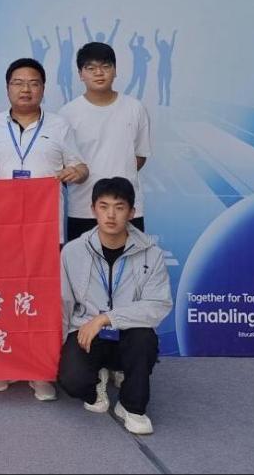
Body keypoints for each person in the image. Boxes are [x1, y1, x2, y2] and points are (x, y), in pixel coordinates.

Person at [0, 57, 88, 401]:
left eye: (33, 83)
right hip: (0, 230)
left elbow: (80, 167)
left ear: (43, 88)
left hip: (46, 230)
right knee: (3, 297)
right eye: (18, 83)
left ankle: (40, 371)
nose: (25, 89)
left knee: (42, 301)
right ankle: (4, 366)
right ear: (7, 88)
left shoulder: (59, 126)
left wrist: (75, 172)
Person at [56, 177, 172, 435]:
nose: (111, 215)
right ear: (93, 210)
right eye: (104, 206)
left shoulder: (151, 254)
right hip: (86, 332)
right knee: (72, 381)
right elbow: (64, 303)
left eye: (119, 208)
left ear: (131, 212)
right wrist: (60, 348)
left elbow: (158, 305)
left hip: (129, 333)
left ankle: (132, 407)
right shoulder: (73, 252)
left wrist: (106, 318)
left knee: (144, 339)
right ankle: (97, 378)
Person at [60, 42, 151, 242]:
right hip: (83, 208)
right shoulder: (67, 114)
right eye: (91, 68)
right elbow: (65, 163)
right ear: (80, 74)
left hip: (126, 207)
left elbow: (140, 156)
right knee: (82, 261)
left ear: (115, 70)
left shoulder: (135, 108)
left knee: (131, 261)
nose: (99, 73)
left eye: (106, 66)